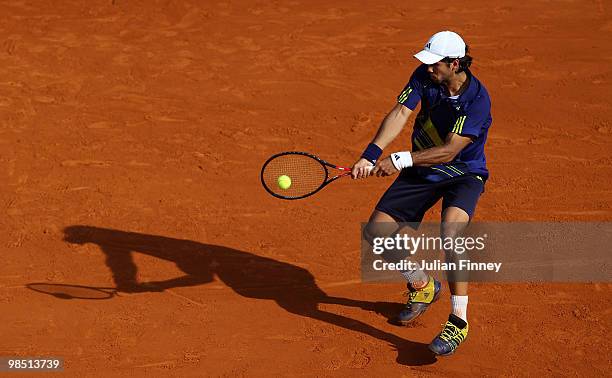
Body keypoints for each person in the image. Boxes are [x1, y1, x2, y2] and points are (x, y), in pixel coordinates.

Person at [351, 31, 492, 355]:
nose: (428, 69)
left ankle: (459, 321)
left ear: (455, 63)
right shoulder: (424, 76)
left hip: (463, 173)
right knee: (377, 232)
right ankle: (422, 284)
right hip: (423, 170)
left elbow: (449, 152)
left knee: (452, 235)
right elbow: (401, 112)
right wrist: (371, 153)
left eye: (435, 64)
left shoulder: (477, 101)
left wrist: (400, 159)